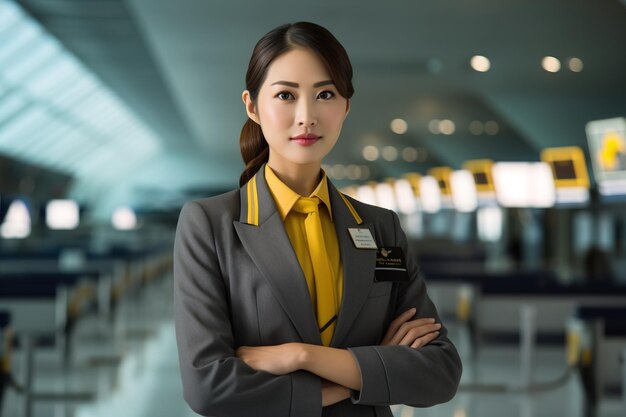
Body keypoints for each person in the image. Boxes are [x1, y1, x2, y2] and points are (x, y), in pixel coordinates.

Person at [173, 21, 462, 417]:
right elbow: (208, 387)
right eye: (286, 95)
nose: (307, 116)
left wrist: (301, 356)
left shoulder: (380, 227)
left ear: (345, 106)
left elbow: (440, 372)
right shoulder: (209, 225)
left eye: (325, 94)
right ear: (253, 106)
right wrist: (372, 371)